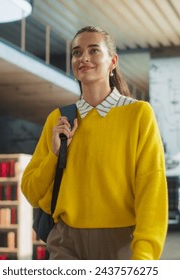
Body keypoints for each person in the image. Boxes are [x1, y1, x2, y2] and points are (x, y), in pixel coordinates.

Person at [21, 26, 168, 260]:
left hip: (120, 245)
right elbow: (30, 191)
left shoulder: (138, 114)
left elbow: (152, 188)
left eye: (94, 51)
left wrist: (145, 257)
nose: (84, 58)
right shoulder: (59, 119)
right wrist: (54, 155)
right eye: (77, 52)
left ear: (113, 61)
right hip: (65, 242)